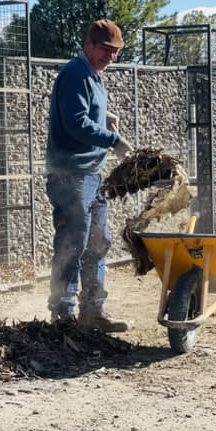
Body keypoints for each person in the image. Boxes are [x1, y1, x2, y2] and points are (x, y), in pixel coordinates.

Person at [46, 19, 133, 333]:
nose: (110, 56)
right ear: (88, 45)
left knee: (99, 242)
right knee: (73, 241)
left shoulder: (93, 77)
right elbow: (75, 123)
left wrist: (104, 116)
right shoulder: (75, 74)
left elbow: (85, 115)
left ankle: (93, 312)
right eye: (105, 49)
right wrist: (113, 139)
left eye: (115, 52)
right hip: (71, 175)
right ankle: (63, 314)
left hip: (92, 175)